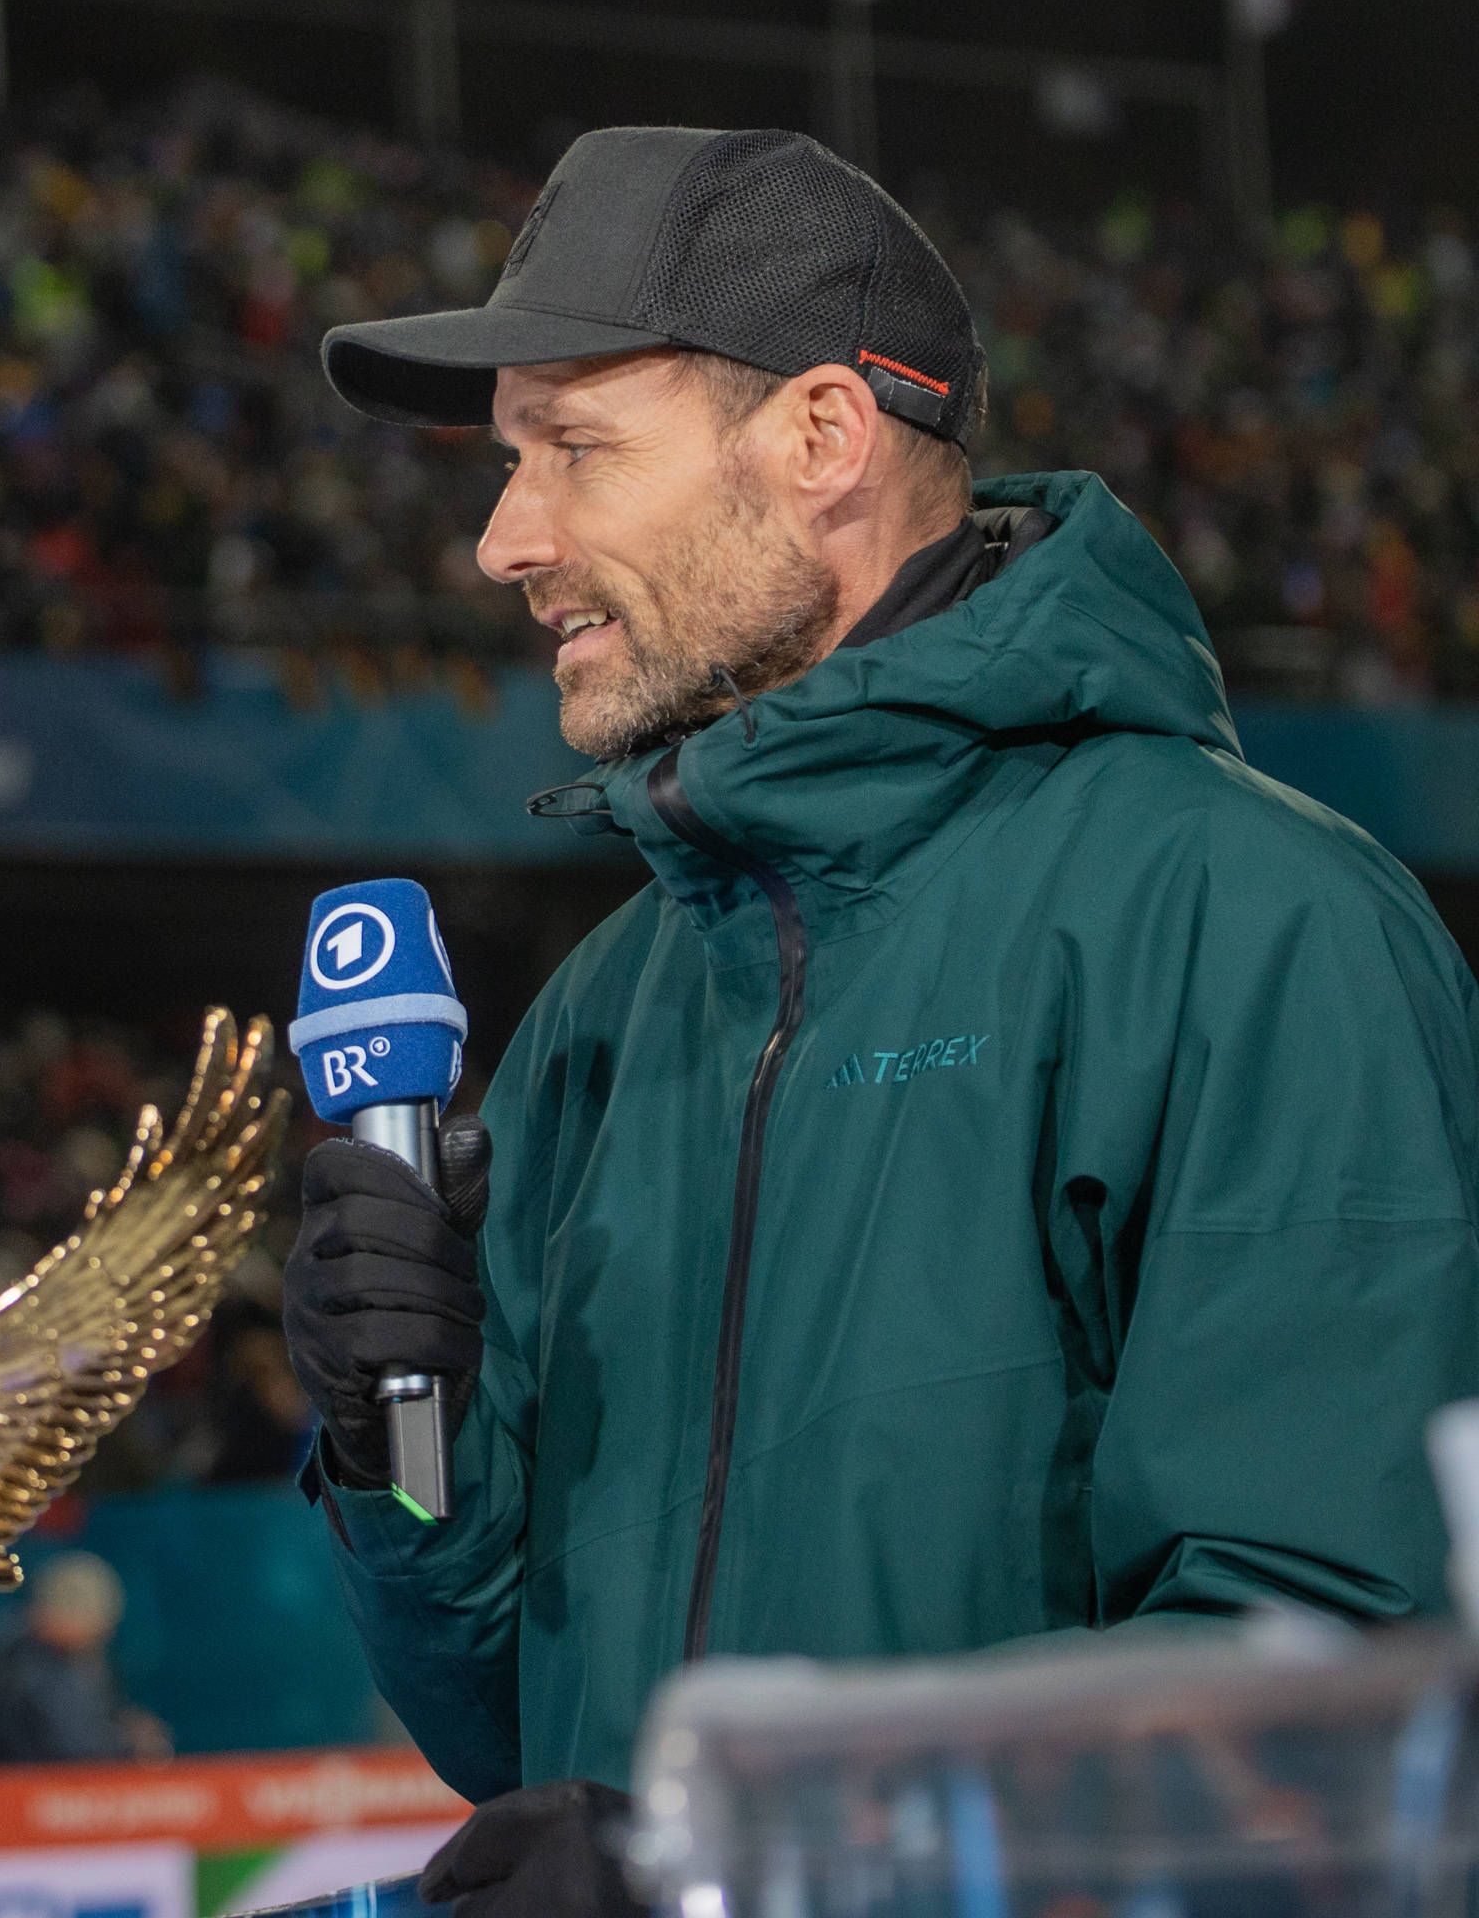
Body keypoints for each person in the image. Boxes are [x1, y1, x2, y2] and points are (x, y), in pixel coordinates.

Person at [285, 128, 1479, 1913]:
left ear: (824, 438)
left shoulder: (1248, 923)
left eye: (574, 450)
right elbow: (508, 1726)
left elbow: (1322, 1722)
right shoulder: (607, 1011)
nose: (503, 541)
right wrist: (411, 1454)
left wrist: (747, 1864)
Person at [0, 1554, 168, 1765]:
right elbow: (72, 1745)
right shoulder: (26, 1664)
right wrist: (128, 1742)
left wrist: (126, 1727)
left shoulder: (87, 1659)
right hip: (30, 1777)